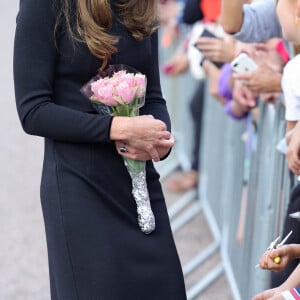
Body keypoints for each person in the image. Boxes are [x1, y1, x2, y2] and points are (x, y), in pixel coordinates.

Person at [13, 0, 187, 299]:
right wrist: (117, 129)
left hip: (139, 187)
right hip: (78, 186)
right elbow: (33, 110)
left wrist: (160, 139)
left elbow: (154, 96)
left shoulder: (141, 3)